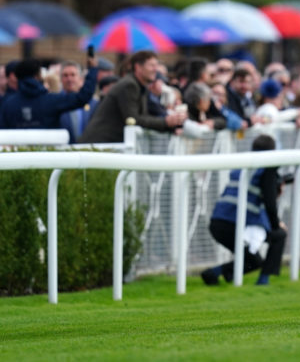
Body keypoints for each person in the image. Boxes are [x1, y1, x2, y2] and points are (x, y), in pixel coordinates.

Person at [200, 134, 288, 286]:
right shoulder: (267, 168)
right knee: (279, 235)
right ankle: (263, 281)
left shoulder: (243, 164)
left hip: (217, 223)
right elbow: (270, 203)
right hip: (233, 224)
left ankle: (213, 273)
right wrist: (276, 224)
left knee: (253, 260)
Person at [78, 50, 187, 143]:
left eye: (156, 65)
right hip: (100, 146)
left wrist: (170, 125)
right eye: (151, 65)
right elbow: (133, 119)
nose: (155, 69)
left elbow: (145, 117)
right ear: (138, 67)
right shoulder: (129, 85)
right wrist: (166, 122)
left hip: (109, 146)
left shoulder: (139, 86)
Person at [0, 57, 97, 130]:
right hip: (48, 155)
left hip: (17, 155)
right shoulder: (51, 100)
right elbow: (82, 97)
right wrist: (92, 70)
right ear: (37, 76)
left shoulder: (8, 104)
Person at [58, 61, 98, 143]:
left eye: (73, 75)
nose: (69, 79)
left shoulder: (93, 103)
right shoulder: (55, 102)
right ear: (61, 79)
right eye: (65, 75)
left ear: (80, 78)